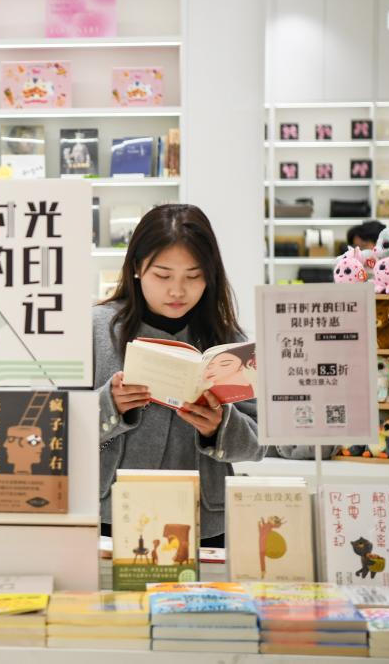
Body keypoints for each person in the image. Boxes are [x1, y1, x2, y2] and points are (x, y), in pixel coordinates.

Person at [94, 204, 265, 548]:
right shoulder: (97, 329)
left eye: (193, 276)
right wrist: (109, 405)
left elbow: (259, 442)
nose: (177, 290)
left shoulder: (229, 342)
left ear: (210, 275)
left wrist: (219, 427)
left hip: (201, 520)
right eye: (163, 275)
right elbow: (59, 426)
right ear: (137, 268)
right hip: (111, 512)